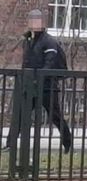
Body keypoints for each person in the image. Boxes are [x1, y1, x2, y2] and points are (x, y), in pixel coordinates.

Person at [7, 10, 73, 154]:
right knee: (20, 114)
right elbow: (27, 62)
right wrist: (26, 79)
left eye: (37, 20)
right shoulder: (28, 40)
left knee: (55, 115)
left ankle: (68, 143)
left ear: (43, 23)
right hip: (30, 84)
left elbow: (49, 62)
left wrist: (39, 78)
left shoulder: (49, 41)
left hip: (47, 86)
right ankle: (10, 144)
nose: (34, 23)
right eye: (32, 20)